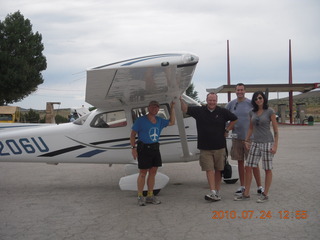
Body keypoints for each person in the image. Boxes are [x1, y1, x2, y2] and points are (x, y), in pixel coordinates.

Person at [180, 92, 237, 201]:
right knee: (209, 169)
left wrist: (227, 129)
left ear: (216, 101)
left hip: (220, 147)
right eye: (210, 100)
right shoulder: (199, 110)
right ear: (207, 100)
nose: (212, 102)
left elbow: (234, 118)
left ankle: (217, 191)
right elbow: (185, 109)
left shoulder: (222, 111)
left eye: (214, 100)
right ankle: (212, 191)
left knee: (219, 170)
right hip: (205, 148)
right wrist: (180, 99)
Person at [234, 91, 278, 203]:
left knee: (267, 168)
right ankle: (246, 193)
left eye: (260, 98)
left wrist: (275, 145)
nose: (258, 100)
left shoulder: (270, 112)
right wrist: (246, 140)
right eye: (256, 99)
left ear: (263, 99)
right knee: (248, 167)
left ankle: (265, 194)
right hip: (255, 142)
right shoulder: (251, 112)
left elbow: (276, 131)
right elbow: (250, 128)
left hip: (267, 142)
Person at [130, 100, 175, 206]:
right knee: (142, 173)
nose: (155, 109)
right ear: (148, 108)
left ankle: (150, 195)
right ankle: (140, 196)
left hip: (155, 148)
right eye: (153, 107)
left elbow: (172, 122)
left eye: (156, 107)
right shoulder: (140, 120)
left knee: (153, 173)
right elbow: (132, 135)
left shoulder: (159, 120)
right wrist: (133, 148)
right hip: (144, 148)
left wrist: (172, 107)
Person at [225, 83, 263, 196]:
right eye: (238, 90)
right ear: (235, 91)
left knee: (253, 164)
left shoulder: (251, 104)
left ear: (245, 91)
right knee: (240, 162)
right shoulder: (231, 105)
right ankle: (242, 186)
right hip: (237, 139)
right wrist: (225, 129)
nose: (239, 92)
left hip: (250, 139)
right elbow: (225, 119)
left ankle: (260, 186)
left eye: (241, 90)